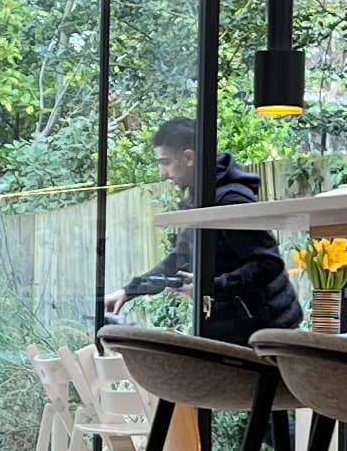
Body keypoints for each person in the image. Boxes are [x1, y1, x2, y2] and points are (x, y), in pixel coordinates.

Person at [110, 116, 301, 345]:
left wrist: (210, 286)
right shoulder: (199, 197)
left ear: (189, 157)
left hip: (266, 331)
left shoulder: (231, 200)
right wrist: (129, 291)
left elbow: (266, 264)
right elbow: (179, 261)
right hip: (233, 326)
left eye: (165, 162)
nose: (162, 172)